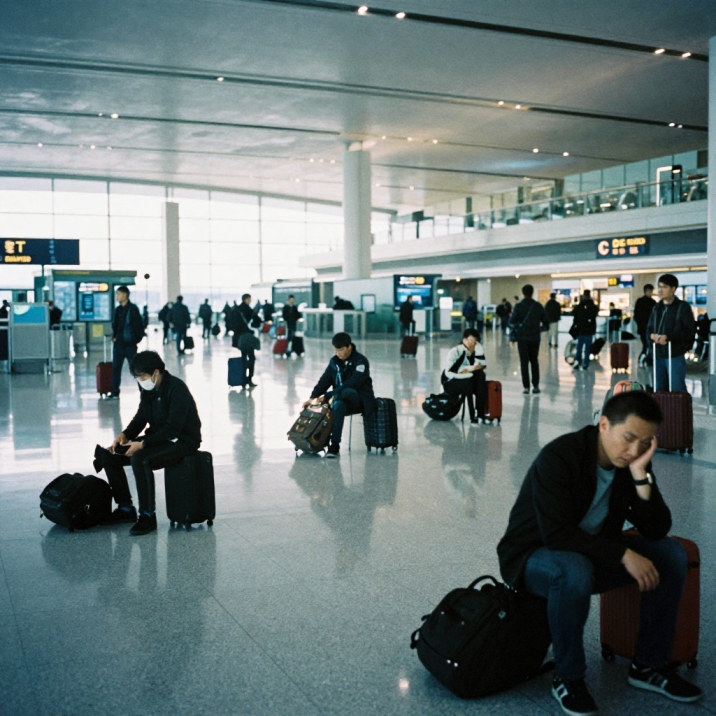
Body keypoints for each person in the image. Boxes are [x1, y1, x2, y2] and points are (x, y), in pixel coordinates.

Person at [497, 391, 702, 715]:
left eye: (645, 443)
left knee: (670, 554)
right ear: (604, 425)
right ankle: (568, 677)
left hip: (591, 553)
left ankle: (648, 665)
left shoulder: (631, 463)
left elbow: (657, 529)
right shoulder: (561, 456)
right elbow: (557, 535)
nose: (634, 450)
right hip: (534, 556)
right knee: (573, 569)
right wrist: (623, 555)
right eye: (628, 438)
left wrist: (641, 476)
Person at [94, 351, 202, 536]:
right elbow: (141, 417)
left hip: (182, 440)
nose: (140, 381)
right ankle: (125, 508)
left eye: (142, 377)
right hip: (159, 437)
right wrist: (124, 436)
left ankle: (147, 515)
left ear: (156, 373)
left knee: (140, 459)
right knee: (109, 455)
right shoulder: (148, 391)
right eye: (137, 378)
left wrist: (143, 444)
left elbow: (172, 429)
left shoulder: (177, 389)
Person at [303, 332, 375, 458]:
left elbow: (353, 384)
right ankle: (334, 446)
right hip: (340, 399)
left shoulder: (360, 362)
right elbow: (324, 381)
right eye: (335, 350)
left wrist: (327, 396)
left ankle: (335, 398)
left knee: (346, 391)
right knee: (338, 405)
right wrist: (312, 398)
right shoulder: (334, 362)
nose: (338, 353)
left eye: (340, 350)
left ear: (349, 347)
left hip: (359, 400)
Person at [646, 273, 696, 393]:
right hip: (658, 354)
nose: (661, 290)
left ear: (673, 289)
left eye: (665, 287)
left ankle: (680, 406)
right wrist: (651, 336)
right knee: (659, 390)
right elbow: (649, 329)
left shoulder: (682, 307)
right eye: (659, 287)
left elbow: (689, 332)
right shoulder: (656, 308)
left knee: (676, 388)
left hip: (674, 355)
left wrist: (668, 337)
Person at [509, 285, 549, 395]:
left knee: (524, 362)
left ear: (523, 293)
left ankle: (526, 387)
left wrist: (518, 328)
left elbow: (511, 322)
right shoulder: (538, 306)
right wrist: (539, 329)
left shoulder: (519, 306)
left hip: (522, 338)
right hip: (535, 338)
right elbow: (546, 323)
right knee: (534, 361)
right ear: (532, 293)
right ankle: (536, 386)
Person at [441, 328, 487, 423]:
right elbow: (450, 372)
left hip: (468, 378)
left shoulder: (477, 350)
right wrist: (469, 370)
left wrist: (479, 353)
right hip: (451, 381)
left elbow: (482, 366)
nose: (472, 344)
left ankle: (480, 413)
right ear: (464, 340)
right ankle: (472, 416)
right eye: (470, 341)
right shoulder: (455, 352)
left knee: (481, 376)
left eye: (475, 342)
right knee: (468, 383)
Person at [108, 285, 144, 399]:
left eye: (118, 294)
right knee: (115, 368)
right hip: (118, 344)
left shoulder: (133, 309)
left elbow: (139, 326)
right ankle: (115, 392)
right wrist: (114, 336)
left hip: (130, 345)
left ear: (124, 295)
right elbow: (115, 325)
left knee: (135, 369)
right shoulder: (118, 310)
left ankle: (144, 392)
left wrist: (135, 340)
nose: (117, 296)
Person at [230, 294, 258, 387]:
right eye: (249, 299)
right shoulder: (248, 309)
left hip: (239, 337)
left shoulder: (236, 309)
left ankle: (242, 378)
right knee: (251, 357)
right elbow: (256, 321)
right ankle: (249, 378)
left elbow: (232, 323)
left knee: (243, 357)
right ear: (246, 299)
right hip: (247, 337)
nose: (250, 301)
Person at [572, 290, 599, 371]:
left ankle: (577, 362)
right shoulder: (592, 305)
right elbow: (595, 314)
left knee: (579, 347)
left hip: (580, 329)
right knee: (587, 347)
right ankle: (585, 363)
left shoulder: (580, 305)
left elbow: (574, 314)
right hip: (589, 330)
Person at [634, 284, 657, 365]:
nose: (650, 293)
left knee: (647, 344)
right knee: (647, 344)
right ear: (646, 291)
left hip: (644, 328)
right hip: (646, 328)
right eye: (650, 291)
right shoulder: (651, 302)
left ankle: (645, 358)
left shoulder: (642, 302)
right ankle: (643, 358)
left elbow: (636, 316)